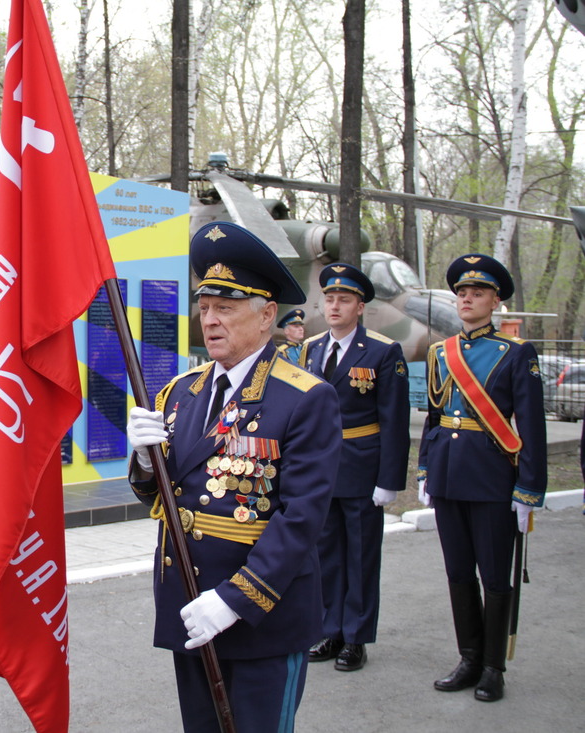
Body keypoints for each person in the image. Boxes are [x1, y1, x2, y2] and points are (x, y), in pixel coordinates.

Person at [127, 221, 341, 733]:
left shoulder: (305, 398)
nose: (211, 321)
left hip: (260, 615)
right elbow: (163, 495)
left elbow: (301, 519)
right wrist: (139, 461)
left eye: (226, 307)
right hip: (189, 609)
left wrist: (233, 600)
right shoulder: (179, 393)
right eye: (204, 308)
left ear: (267, 315)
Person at [418, 253, 546, 702]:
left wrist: (529, 487)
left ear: (495, 301)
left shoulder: (516, 353)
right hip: (449, 477)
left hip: (492, 477)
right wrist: (425, 468)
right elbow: (434, 417)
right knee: (458, 573)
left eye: (477, 293)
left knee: (494, 574)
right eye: (462, 293)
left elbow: (531, 425)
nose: (467, 299)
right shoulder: (440, 352)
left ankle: (494, 667)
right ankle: (468, 657)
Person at [298, 264, 410, 672]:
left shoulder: (382, 351)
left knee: (361, 556)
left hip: (363, 469)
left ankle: (356, 638)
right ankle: (331, 630)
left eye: (344, 300)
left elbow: (395, 421)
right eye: (329, 298)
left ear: (360, 307)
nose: (334, 306)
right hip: (321, 470)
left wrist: (389, 481)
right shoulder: (311, 348)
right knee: (326, 553)